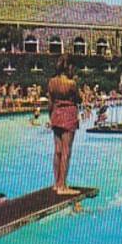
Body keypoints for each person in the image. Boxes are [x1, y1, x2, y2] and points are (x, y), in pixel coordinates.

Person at [48, 55, 81, 195]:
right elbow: (79, 99)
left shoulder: (51, 82)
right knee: (66, 151)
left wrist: (51, 116)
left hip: (56, 114)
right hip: (68, 115)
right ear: (69, 66)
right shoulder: (71, 83)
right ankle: (62, 186)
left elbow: (50, 102)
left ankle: (56, 183)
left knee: (57, 151)